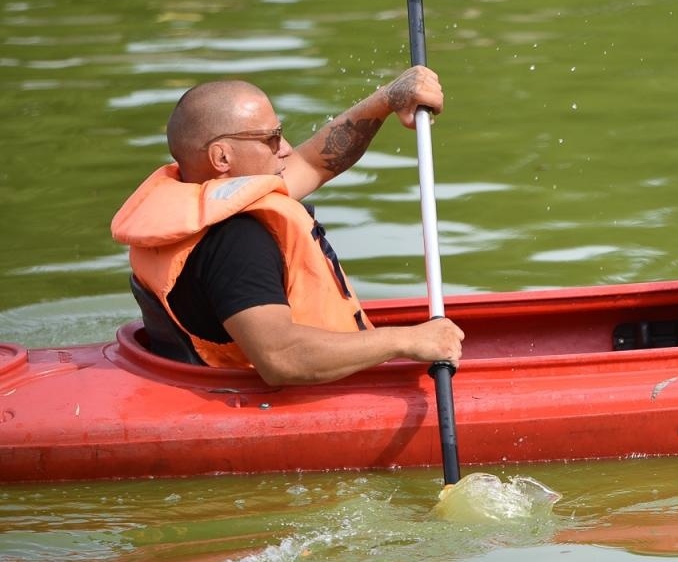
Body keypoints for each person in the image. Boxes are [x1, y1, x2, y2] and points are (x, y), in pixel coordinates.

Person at [110, 67, 464, 385]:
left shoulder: (206, 196)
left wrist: (388, 99)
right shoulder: (236, 240)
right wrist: (409, 340)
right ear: (222, 157)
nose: (286, 148)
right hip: (260, 404)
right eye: (271, 138)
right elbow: (281, 358)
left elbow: (315, 162)